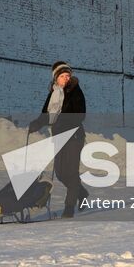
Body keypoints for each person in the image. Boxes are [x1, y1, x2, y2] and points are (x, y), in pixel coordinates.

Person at [28, 60, 86, 218]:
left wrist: (63, 120)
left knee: (72, 173)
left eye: (68, 75)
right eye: (63, 76)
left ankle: (69, 208)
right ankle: (81, 193)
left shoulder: (75, 92)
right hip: (59, 136)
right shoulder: (53, 94)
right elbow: (45, 115)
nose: (66, 78)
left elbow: (81, 114)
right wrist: (36, 124)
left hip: (74, 137)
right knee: (61, 174)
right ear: (56, 78)